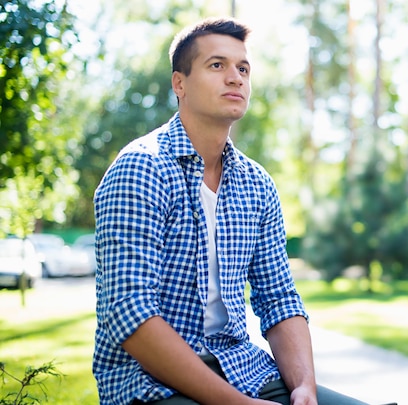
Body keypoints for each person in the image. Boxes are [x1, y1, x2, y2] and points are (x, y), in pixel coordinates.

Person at [92, 17, 370, 405]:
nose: (235, 78)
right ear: (180, 84)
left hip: (245, 370)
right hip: (152, 384)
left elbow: (279, 299)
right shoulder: (141, 168)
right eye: (217, 65)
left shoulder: (257, 184)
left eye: (243, 68)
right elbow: (131, 314)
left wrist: (304, 386)